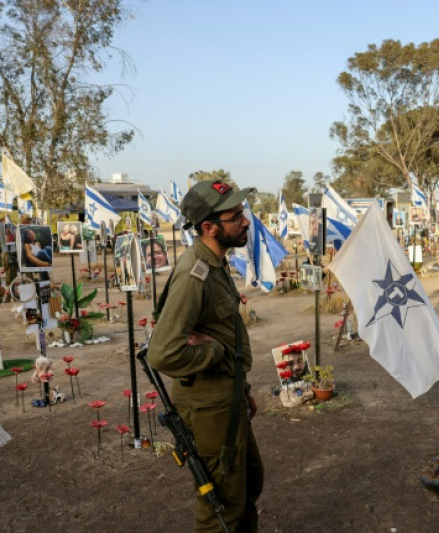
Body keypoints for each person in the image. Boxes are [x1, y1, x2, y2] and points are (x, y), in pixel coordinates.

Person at [146, 180, 263, 532]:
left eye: (242, 212)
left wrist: (241, 389)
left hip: (227, 396)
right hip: (208, 406)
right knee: (221, 507)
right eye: (235, 216)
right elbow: (163, 352)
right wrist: (214, 352)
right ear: (209, 227)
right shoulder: (194, 274)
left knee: (248, 483)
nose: (245, 221)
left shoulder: (214, 263)